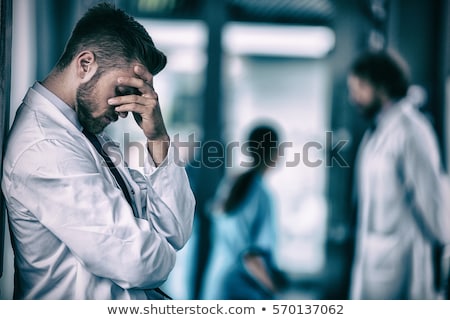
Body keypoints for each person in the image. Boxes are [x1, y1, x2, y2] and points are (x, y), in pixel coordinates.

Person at [1, 3, 195, 299]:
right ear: (85, 64)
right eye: (121, 91)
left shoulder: (88, 136)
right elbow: (140, 263)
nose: (123, 110)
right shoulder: (45, 148)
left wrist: (157, 137)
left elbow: (175, 230)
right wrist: (162, 250)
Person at [347, 49, 450, 299]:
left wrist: (445, 242)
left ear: (381, 86)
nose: (354, 97)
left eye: (360, 87)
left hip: (403, 266)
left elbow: (433, 201)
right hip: (375, 261)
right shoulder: (376, 133)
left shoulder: (412, 130)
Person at [200, 124, 286, 300]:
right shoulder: (261, 195)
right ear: (275, 151)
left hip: (216, 285)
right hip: (240, 290)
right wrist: (277, 293)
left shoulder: (230, 184)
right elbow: (251, 257)